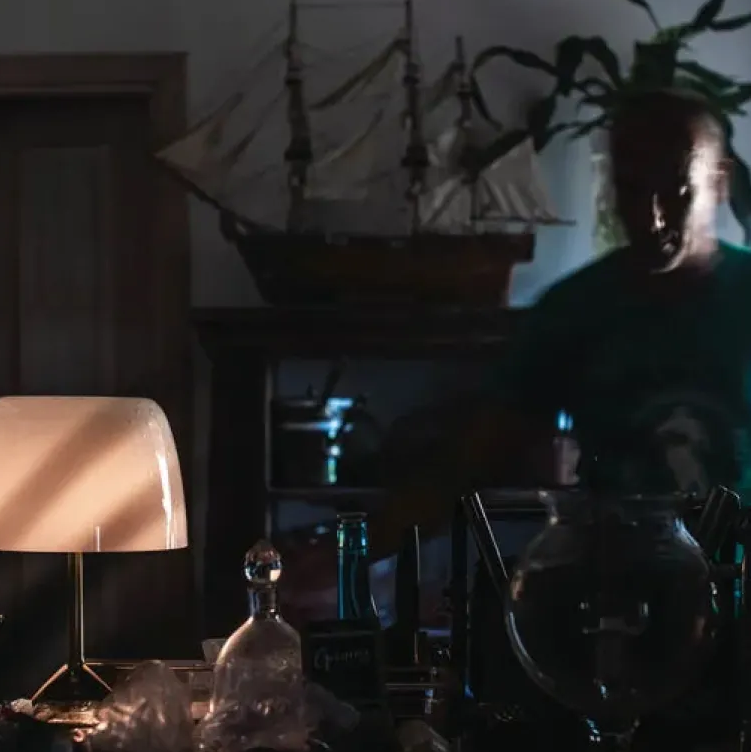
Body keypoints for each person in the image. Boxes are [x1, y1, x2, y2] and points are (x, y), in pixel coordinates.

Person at [282, 87, 751, 597]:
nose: (652, 217)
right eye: (632, 190)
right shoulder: (575, 310)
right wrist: (355, 551)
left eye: (677, 191)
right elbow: (474, 458)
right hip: (621, 599)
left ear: (719, 183)